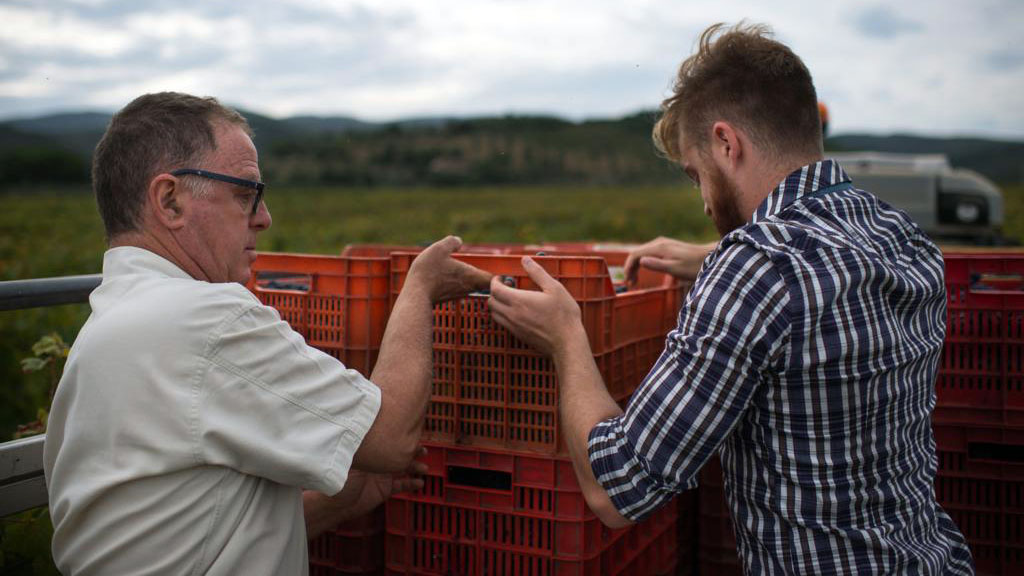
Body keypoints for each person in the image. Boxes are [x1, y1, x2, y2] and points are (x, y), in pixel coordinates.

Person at [488, 22, 973, 575]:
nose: (701, 201)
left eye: (697, 175)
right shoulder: (900, 235)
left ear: (726, 142)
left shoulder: (757, 267)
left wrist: (565, 337)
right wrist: (711, 259)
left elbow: (617, 488)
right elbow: (813, 271)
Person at [42, 92, 491, 575]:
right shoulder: (204, 318)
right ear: (169, 200)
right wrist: (420, 289)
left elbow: (197, 535)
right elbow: (391, 439)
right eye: (245, 192)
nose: (263, 216)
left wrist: (343, 500)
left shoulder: (113, 319)